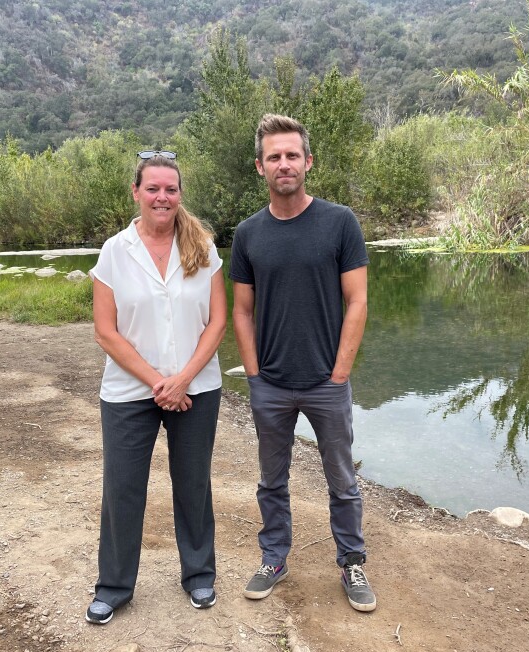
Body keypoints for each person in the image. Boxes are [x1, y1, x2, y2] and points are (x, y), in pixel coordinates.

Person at [229, 115, 375, 612]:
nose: (284, 164)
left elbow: (357, 302)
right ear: (260, 167)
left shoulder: (340, 223)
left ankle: (352, 561)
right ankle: (274, 558)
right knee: (272, 479)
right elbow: (242, 310)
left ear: (308, 162)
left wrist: (340, 373)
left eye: (292, 155)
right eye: (274, 157)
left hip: (325, 383)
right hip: (270, 383)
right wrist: (252, 373)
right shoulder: (248, 235)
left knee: (342, 479)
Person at [85, 151, 226, 625]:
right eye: (153, 188)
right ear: (136, 192)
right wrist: (158, 382)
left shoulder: (202, 247)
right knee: (123, 488)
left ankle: (199, 575)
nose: (162, 197)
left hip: (197, 388)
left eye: (170, 188)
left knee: (193, 484)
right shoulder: (114, 251)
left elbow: (219, 320)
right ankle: (115, 587)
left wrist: (183, 379)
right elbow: (106, 331)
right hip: (128, 393)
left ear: (179, 193)